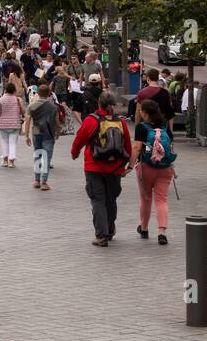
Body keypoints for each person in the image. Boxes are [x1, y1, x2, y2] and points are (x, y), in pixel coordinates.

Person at [70, 91, 133, 247]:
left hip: (94, 167)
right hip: (115, 168)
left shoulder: (91, 120)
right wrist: (124, 166)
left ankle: (101, 235)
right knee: (111, 200)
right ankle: (110, 229)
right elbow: (127, 146)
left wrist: (74, 153)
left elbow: (80, 139)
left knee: (98, 200)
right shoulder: (120, 122)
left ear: (99, 103)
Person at [132, 100, 175, 246]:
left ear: (145, 112)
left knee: (145, 198)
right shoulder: (165, 127)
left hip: (146, 167)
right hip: (165, 168)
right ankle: (162, 232)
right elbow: (170, 145)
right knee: (161, 200)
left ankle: (144, 228)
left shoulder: (141, 128)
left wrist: (130, 166)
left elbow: (137, 148)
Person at [23, 83, 61, 191]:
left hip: (36, 130)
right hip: (49, 131)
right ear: (49, 93)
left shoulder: (32, 105)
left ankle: (36, 179)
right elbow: (57, 122)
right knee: (47, 156)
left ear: (38, 93)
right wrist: (58, 132)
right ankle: (44, 182)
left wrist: (26, 136)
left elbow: (28, 121)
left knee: (38, 154)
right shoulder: (53, 107)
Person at [0, 81, 24, 168]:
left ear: (5, 90)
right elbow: (23, 112)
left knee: (4, 141)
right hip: (15, 124)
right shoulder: (18, 100)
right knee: (12, 143)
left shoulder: (0, 100)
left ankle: (5, 160)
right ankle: (11, 161)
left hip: (3, 125)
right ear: (14, 90)